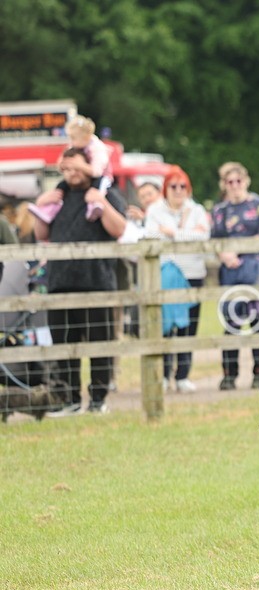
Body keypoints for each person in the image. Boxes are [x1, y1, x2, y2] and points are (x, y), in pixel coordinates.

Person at [30, 148, 127, 414]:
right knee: (64, 345)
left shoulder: (106, 193)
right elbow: (42, 234)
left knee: (99, 344)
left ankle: (98, 399)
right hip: (60, 281)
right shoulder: (58, 196)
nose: (71, 174)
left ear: (89, 167)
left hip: (97, 281)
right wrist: (41, 205)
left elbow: (119, 229)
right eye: (66, 169)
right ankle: (69, 399)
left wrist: (102, 203)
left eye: (76, 167)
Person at [143, 167, 210, 393]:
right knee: (164, 327)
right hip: (166, 274)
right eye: (173, 186)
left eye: (183, 186)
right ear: (166, 189)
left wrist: (172, 233)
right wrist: (183, 233)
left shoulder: (197, 210)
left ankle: (182, 375)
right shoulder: (155, 210)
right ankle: (162, 375)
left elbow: (202, 235)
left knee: (188, 327)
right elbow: (151, 236)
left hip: (192, 274)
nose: (178, 190)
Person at [211, 162, 259, 390]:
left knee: (258, 321)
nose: (235, 186)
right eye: (230, 182)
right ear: (224, 185)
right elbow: (214, 240)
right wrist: (224, 255)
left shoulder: (258, 205)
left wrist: (239, 250)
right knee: (230, 323)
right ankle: (229, 373)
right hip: (230, 272)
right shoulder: (219, 211)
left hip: (254, 269)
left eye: (238, 181)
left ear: (246, 181)